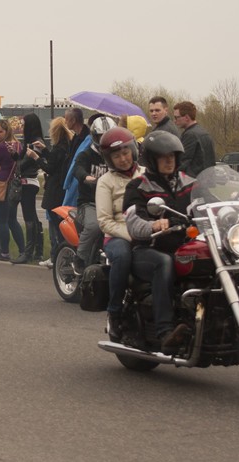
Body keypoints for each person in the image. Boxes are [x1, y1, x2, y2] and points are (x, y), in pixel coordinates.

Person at [123, 130, 196, 354]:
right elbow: (133, 221)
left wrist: (230, 208)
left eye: (172, 156)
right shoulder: (138, 186)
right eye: (163, 157)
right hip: (148, 250)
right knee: (163, 263)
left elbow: (206, 203)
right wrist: (154, 225)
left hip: (185, 246)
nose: (169, 160)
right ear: (152, 160)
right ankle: (166, 332)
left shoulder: (190, 183)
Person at [95, 127, 145, 338]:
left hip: (148, 232)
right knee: (123, 257)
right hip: (118, 237)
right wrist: (130, 235)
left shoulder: (147, 174)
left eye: (125, 153)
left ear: (133, 150)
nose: (123, 159)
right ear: (109, 159)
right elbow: (104, 221)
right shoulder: (106, 182)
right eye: (117, 156)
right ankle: (114, 313)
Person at [72, 115, 116, 274]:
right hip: (89, 203)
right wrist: (85, 176)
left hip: (113, 203)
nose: (104, 139)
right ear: (94, 136)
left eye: (108, 135)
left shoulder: (117, 155)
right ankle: (80, 258)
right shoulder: (86, 154)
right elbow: (77, 168)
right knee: (95, 226)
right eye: (101, 136)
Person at [35, 117, 73, 267]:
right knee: (58, 224)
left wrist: (36, 157)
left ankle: (58, 256)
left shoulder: (59, 148)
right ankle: (59, 256)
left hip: (55, 189)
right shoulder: (67, 146)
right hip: (61, 188)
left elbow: (50, 167)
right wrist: (44, 150)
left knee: (56, 226)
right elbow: (54, 160)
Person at [0, 119, 25, 261]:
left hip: (1, 184)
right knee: (13, 220)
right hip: (13, 186)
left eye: (0, 131)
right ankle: (22, 251)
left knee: (2, 221)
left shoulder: (1, 147)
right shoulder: (18, 145)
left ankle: (4, 253)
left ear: (6, 131)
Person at [13, 113, 45, 263]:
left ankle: (28, 252)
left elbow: (24, 163)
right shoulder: (31, 142)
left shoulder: (35, 143)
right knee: (33, 218)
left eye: (24, 124)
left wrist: (16, 163)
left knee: (29, 218)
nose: (23, 127)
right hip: (29, 182)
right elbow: (20, 160)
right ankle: (38, 251)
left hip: (28, 183)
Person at [172, 101, 216, 177]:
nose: (174, 121)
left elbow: (183, 161)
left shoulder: (190, 135)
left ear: (186, 117)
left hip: (194, 182)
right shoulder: (205, 133)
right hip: (207, 180)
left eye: (176, 117)